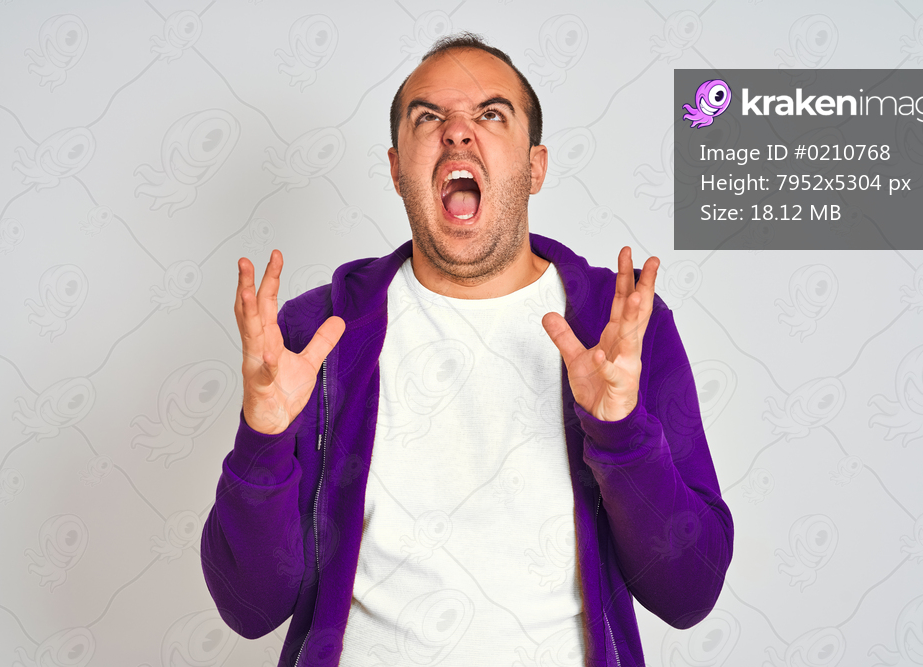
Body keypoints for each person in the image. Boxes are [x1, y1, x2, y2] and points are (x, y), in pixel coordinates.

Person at [202, 32, 733, 667]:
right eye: (430, 117)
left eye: (490, 114)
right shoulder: (319, 332)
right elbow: (251, 609)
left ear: (534, 166)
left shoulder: (620, 325)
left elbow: (689, 592)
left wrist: (619, 431)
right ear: (398, 167)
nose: (458, 133)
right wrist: (262, 440)